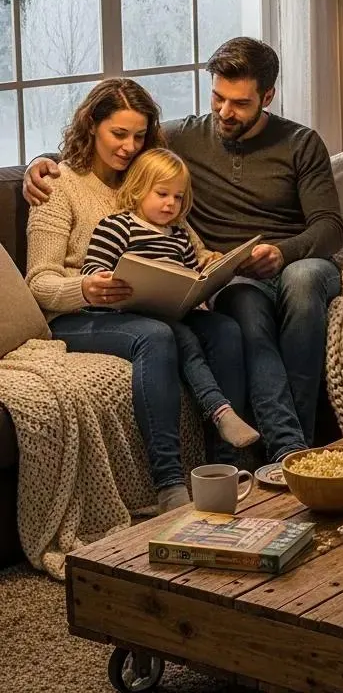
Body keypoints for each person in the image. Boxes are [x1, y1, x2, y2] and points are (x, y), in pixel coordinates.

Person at [25, 37, 343, 462]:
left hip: (290, 260)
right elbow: (91, 157)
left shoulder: (298, 144)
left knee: (297, 288)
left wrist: (273, 254)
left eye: (240, 103)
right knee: (240, 314)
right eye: (217, 97)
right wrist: (39, 162)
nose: (225, 112)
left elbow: (329, 227)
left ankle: (293, 450)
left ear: (267, 97)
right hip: (196, 285)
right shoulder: (175, 142)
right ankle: (276, 453)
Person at [25, 79, 249, 513]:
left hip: (148, 307)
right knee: (157, 337)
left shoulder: (148, 181)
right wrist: (84, 287)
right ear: (92, 125)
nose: (129, 147)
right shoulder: (58, 185)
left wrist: (209, 265)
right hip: (80, 314)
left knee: (223, 330)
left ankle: (225, 470)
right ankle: (168, 485)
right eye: (119, 134)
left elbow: (191, 245)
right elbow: (38, 282)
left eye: (139, 135)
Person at [82, 147, 260, 451]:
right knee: (183, 337)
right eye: (162, 194)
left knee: (226, 328)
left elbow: (192, 277)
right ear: (138, 189)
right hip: (130, 314)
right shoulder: (116, 226)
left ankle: (226, 461)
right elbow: (93, 270)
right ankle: (220, 410)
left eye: (178, 197)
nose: (171, 204)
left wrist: (206, 280)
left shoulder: (178, 235)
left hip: (174, 309)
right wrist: (103, 281)